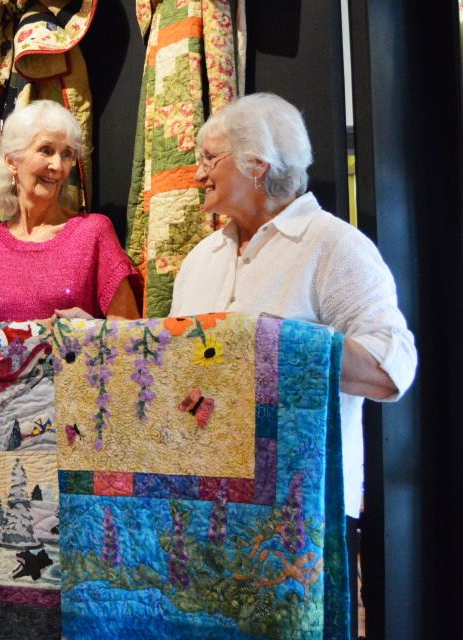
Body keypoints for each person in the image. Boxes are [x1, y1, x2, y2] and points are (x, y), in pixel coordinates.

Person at [169, 92, 417, 631]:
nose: (197, 174)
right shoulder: (200, 260)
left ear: (257, 164)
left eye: (209, 158)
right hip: (205, 509)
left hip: (301, 516)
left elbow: (392, 367)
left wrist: (276, 346)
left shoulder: (333, 247)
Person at [0, 100, 141, 336]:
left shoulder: (92, 232)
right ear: (12, 161)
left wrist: (86, 329)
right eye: (46, 150)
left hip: (70, 361)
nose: (57, 166)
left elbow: (130, 336)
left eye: (67, 154)